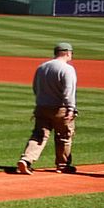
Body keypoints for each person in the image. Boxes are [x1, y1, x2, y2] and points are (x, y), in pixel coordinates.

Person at [16, 41, 78, 175]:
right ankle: (62, 165)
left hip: (42, 106)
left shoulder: (42, 67)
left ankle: (26, 160)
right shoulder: (67, 69)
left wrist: (41, 101)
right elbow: (69, 90)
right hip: (59, 108)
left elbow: (35, 87)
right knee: (64, 136)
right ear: (67, 53)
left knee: (39, 135)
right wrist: (70, 108)